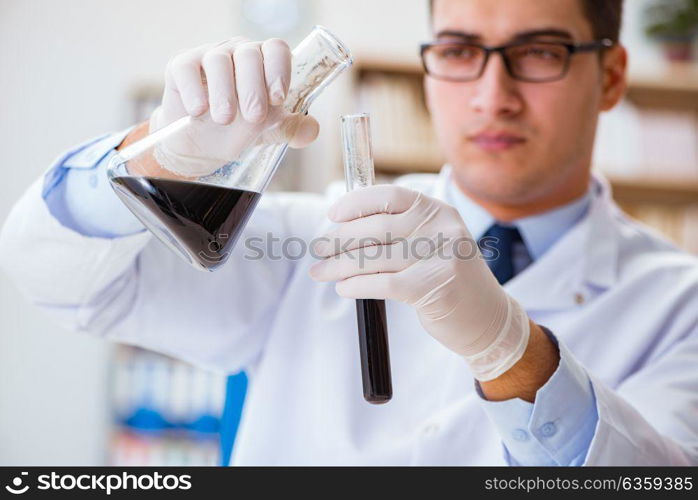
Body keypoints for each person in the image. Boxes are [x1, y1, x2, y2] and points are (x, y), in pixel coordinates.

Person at [1, 0, 697, 466]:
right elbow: (54, 276)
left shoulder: (681, 305)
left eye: (540, 52)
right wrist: (161, 150)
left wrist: (510, 351)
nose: (492, 94)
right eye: (458, 51)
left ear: (610, 75)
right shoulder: (304, 238)